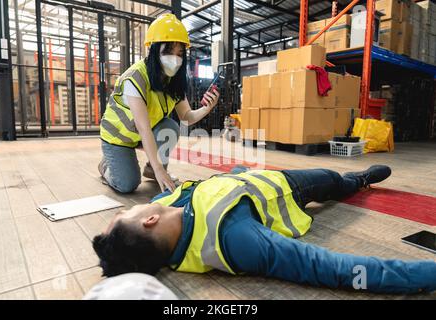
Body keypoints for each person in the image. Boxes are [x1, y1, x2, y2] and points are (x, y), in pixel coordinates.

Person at [92, 165, 436, 294]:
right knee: (333, 181)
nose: (133, 205)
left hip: (246, 176)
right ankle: (358, 180)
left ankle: (353, 179)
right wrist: (424, 273)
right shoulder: (233, 239)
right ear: (148, 220)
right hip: (289, 187)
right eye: (129, 211)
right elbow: (332, 268)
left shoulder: (169, 206)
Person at [98, 13, 220, 194]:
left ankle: (150, 169)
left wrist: (206, 108)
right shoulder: (136, 77)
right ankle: (105, 166)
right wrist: (161, 169)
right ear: (154, 50)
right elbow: (143, 126)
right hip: (118, 137)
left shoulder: (173, 81)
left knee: (170, 126)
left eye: (180, 53)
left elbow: (186, 117)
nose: (175, 59)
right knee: (127, 184)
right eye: (169, 51)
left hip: (139, 136)